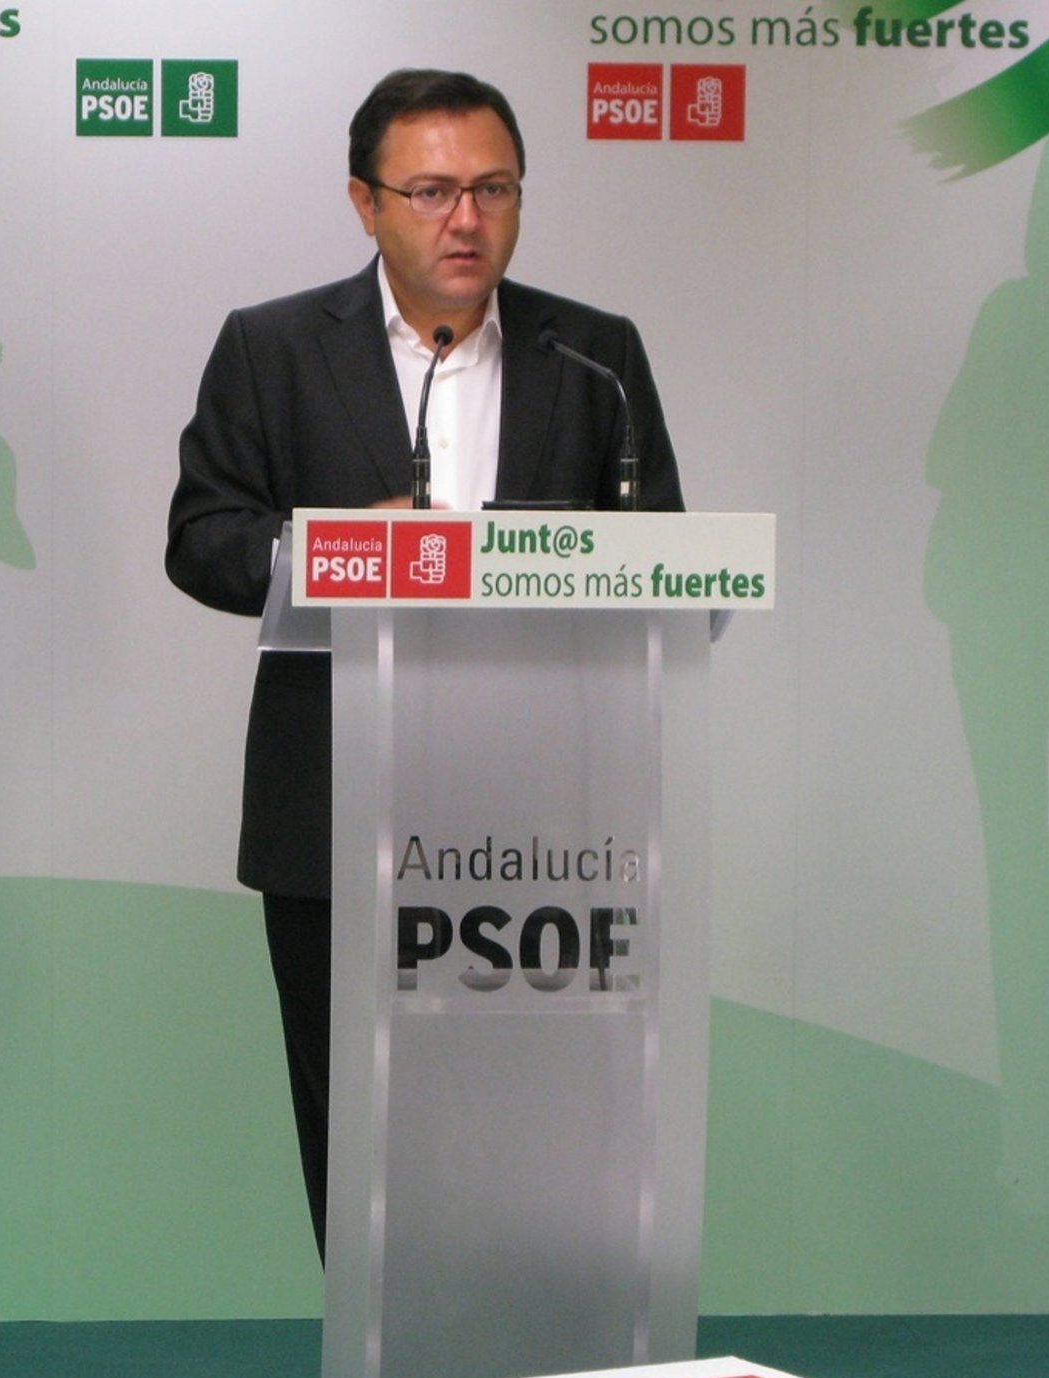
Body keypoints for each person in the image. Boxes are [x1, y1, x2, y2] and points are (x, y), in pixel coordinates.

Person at [166, 68, 684, 1260]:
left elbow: (660, 553)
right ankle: (378, 1344)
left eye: (494, 189)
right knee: (354, 1117)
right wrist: (341, 549)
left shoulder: (594, 355)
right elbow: (201, 538)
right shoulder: (273, 347)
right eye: (434, 190)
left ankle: (525, 1337)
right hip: (335, 802)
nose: (467, 219)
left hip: (543, 822)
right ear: (366, 202)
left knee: (530, 1119)